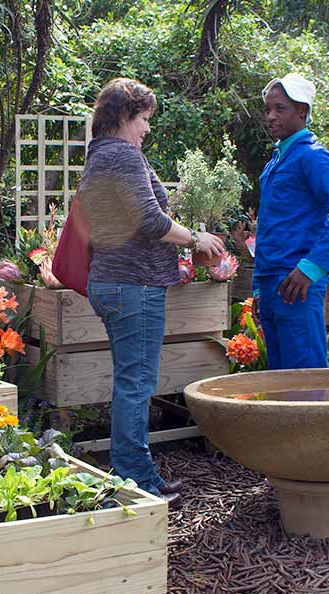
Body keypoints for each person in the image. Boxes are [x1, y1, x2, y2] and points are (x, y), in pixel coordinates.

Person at [77, 78, 225, 507]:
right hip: (133, 286)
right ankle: (136, 479)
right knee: (136, 384)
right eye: (143, 119)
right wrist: (196, 239)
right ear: (123, 116)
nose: (147, 129)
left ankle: (136, 473)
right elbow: (150, 221)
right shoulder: (122, 156)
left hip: (111, 281)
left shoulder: (99, 157)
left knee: (131, 382)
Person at [252, 73, 329, 369]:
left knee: (306, 381)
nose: (271, 116)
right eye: (268, 109)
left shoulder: (313, 157)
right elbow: (270, 228)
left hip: (297, 285)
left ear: (302, 111)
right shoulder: (278, 159)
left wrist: (311, 268)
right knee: (280, 384)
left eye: (280, 109)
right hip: (274, 283)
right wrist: (260, 288)